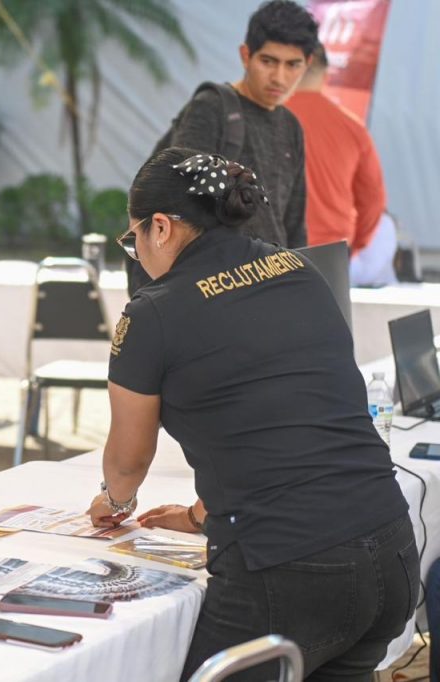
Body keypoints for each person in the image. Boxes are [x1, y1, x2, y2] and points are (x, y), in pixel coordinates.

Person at [88, 147, 417, 680]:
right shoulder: (299, 269)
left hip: (289, 569)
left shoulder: (153, 312)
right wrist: (199, 515)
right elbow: (282, 421)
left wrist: (114, 502)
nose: (138, 255)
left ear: (161, 227)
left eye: (134, 239)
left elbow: (129, 460)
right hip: (389, 542)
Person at [168, 0, 315, 249]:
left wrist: (301, 270)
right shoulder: (211, 108)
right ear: (246, 56)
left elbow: (294, 224)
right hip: (218, 267)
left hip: (274, 268)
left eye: (293, 64)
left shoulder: (291, 127)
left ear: (307, 64)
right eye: (268, 61)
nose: (279, 78)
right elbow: (180, 205)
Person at [286, 42, 386, 256]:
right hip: (330, 252)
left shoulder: (261, 117)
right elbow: (373, 199)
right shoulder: (353, 128)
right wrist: (356, 245)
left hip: (271, 252)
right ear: (326, 76)